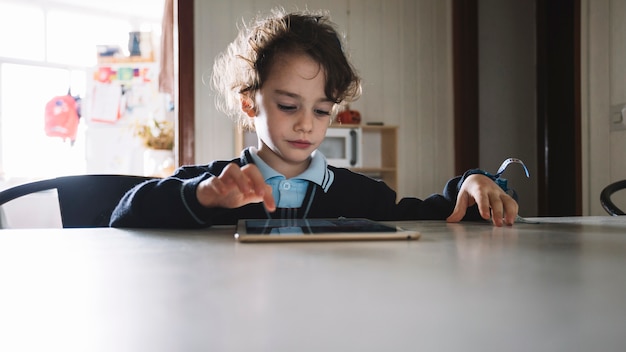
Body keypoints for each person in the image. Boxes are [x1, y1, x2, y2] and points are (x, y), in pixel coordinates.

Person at [109, 8, 518, 229]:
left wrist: (472, 181)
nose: (307, 124)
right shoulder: (216, 184)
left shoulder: (360, 195)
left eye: (322, 110)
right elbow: (125, 214)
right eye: (289, 106)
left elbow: (435, 215)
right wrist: (204, 196)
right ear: (250, 103)